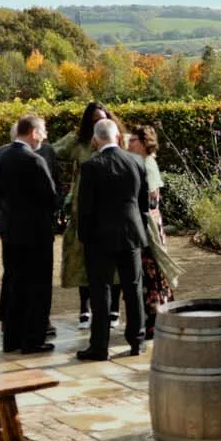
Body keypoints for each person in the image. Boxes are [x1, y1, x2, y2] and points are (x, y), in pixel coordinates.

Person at [74, 117, 149, 360]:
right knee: (134, 288)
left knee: (101, 290)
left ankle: (99, 345)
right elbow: (143, 203)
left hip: (99, 237)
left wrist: (84, 237)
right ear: (118, 136)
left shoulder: (90, 166)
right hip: (131, 233)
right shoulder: (137, 162)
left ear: (96, 139)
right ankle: (137, 340)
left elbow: (84, 208)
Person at [0, 113, 60, 354]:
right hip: (36, 233)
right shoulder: (35, 160)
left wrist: (2, 218)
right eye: (44, 131)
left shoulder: (0, 157)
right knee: (37, 286)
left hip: (10, 231)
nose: (46, 136)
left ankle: (11, 339)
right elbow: (51, 198)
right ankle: (33, 340)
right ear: (34, 133)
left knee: (14, 283)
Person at [126, 123, 180, 338]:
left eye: (133, 140)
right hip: (148, 223)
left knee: (152, 272)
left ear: (143, 142)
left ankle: (155, 319)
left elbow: (149, 201)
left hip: (148, 226)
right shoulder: (143, 162)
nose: (128, 144)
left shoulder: (147, 164)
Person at [59, 101, 111, 322]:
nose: (98, 124)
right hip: (83, 207)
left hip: (109, 208)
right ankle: (84, 306)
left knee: (110, 258)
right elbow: (52, 151)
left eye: (102, 119)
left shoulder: (116, 140)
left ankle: (112, 307)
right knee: (82, 256)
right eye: (94, 121)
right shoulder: (79, 143)